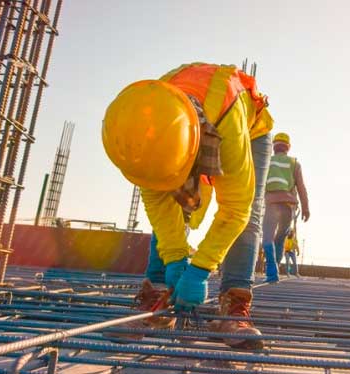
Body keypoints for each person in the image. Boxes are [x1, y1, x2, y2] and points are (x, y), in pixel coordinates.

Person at [101, 62, 273, 349]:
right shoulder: (144, 126)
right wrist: (175, 259)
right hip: (184, 121)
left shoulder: (227, 128)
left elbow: (235, 209)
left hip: (246, 129)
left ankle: (233, 307)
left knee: (250, 212)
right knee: (172, 199)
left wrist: (200, 269)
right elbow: (158, 203)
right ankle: (157, 295)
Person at [260, 132, 311, 282]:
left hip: (271, 204)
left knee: (267, 238)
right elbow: (301, 188)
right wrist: (306, 208)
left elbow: (258, 184)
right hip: (288, 206)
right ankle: (275, 265)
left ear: (273, 146)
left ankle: (271, 272)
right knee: (280, 237)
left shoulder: (267, 162)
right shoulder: (294, 163)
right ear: (288, 147)